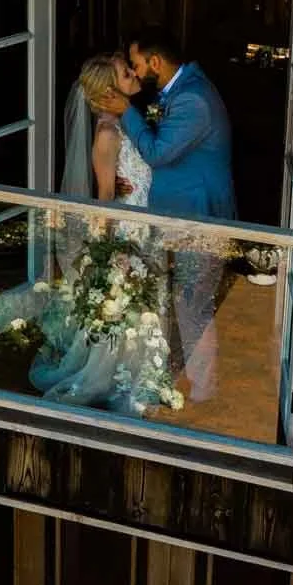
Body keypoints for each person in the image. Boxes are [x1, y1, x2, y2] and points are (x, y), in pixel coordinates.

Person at [94, 26, 235, 401]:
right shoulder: (182, 90)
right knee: (179, 302)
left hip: (198, 220)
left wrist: (126, 112)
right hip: (174, 218)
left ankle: (205, 392)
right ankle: (177, 375)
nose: (137, 73)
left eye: (138, 65)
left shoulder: (193, 100)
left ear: (155, 61)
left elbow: (157, 153)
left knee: (193, 306)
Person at [29, 54, 156, 410]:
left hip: (143, 220)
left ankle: (137, 368)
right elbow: (104, 200)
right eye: (126, 74)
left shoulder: (129, 123)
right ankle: (108, 374)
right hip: (127, 226)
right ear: (109, 91)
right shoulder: (106, 134)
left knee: (140, 300)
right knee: (125, 301)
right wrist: (108, 250)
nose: (135, 75)